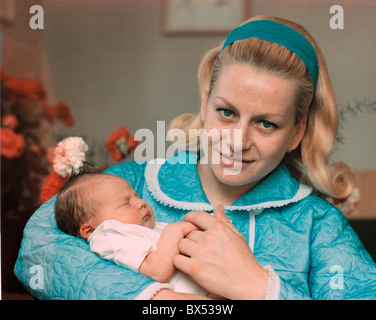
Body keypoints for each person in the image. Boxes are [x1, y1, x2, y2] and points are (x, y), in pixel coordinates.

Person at [15, 15, 376, 300]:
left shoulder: (318, 225)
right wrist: (162, 299)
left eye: (266, 124)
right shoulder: (131, 184)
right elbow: (38, 245)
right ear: (205, 103)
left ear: (296, 132)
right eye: (227, 113)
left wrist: (259, 288)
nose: (238, 141)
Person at [54, 169, 211, 298]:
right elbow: (157, 270)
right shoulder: (108, 234)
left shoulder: (154, 227)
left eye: (136, 196)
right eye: (125, 203)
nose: (141, 202)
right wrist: (176, 230)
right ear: (90, 230)